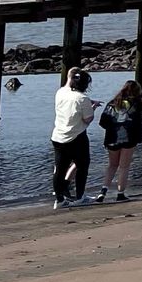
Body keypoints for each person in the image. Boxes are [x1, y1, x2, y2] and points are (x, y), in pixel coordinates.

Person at [50, 68, 98, 209]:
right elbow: (87, 119)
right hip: (76, 137)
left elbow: (69, 79)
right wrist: (93, 107)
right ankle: (80, 196)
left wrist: (73, 73)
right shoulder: (83, 99)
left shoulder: (61, 92)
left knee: (59, 168)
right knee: (82, 165)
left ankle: (59, 200)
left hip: (58, 136)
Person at [97, 79, 142, 201]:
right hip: (129, 138)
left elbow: (103, 122)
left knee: (112, 165)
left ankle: (103, 191)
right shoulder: (137, 103)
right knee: (124, 166)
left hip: (112, 138)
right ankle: (120, 193)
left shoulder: (112, 103)